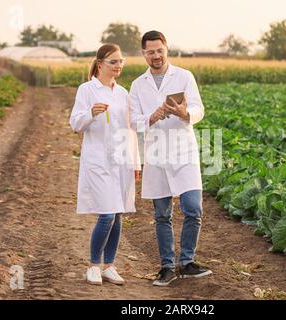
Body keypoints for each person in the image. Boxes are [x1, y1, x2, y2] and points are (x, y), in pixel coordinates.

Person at [129, 31, 212, 286]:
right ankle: (166, 266)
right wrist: (150, 118)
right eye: (150, 51)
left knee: (193, 207)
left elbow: (199, 109)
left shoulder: (184, 76)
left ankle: (186, 262)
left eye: (159, 50)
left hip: (183, 150)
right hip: (156, 154)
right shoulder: (137, 84)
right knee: (162, 214)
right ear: (144, 53)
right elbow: (133, 119)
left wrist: (184, 112)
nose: (156, 55)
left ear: (166, 49)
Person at [69, 43, 140, 286]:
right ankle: (93, 266)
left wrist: (136, 162)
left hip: (121, 160)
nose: (119, 65)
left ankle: (110, 265)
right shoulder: (87, 89)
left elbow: (131, 130)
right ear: (100, 64)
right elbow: (76, 124)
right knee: (107, 214)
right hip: (98, 160)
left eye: (121, 62)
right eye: (114, 62)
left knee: (118, 214)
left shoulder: (123, 93)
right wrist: (91, 112)